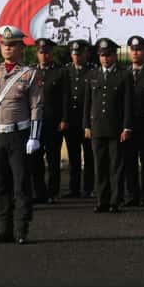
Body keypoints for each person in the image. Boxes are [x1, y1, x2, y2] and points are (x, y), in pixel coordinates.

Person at [0, 25, 42, 245]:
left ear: (20, 47)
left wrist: (34, 137)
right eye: (4, 44)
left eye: (12, 44)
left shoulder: (29, 73)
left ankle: (21, 229)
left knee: (21, 183)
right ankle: (4, 229)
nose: (7, 48)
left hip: (19, 135)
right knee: (0, 184)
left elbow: (36, 107)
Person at [84, 38, 133, 213]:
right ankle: (102, 200)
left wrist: (127, 127)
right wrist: (86, 126)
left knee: (116, 167)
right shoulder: (93, 75)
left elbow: (128, 103)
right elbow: (87, 104)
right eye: (102, 55)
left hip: (116, 128)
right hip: (97, 128)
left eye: (108, 55)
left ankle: (115, 201)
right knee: (100, 166)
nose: (105, 59)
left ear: (115, 56)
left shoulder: (123, 75)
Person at [123, 36, 144, 207]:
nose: (135, 53)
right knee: (129, 160)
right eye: (133, 50)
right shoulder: (124, 73)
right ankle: (132, 194)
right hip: (128, 125)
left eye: (139, 50)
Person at [32, 38, 67, 204]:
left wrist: (64, 119)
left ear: (51, 54)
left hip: (53, 122)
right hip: (35, 123)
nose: (43, 56)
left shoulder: (60, 72)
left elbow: (65, 98)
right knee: (35, 159)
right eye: (41, 52)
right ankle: (39, 191)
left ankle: (52, 192)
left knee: (53, 160)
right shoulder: (31, 72)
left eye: (46, 52)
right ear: (37, 53)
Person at [62, 40, 94, 198]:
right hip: (72, 121)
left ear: (86, 54)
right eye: (74, 54)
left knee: (89, 156)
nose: (76, 57)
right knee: (74, 157)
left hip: (87, 121)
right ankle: (74, 188)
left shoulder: (92, 71)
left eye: (79, 54)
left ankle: (89, 188)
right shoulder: (66, 70)